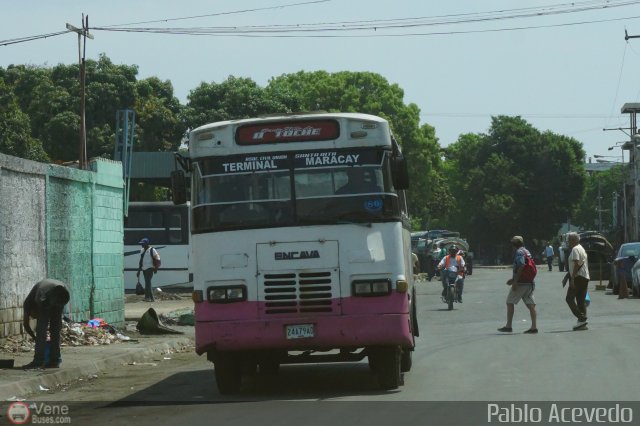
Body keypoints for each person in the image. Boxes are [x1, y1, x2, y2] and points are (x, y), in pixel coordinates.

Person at [22, 279, 70, 369]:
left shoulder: (28, 303)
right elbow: (26, 324)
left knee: (42, 331)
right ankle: (55, 360)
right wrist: (35, 337)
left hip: (52, 293)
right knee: (55, 330)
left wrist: (36, 337)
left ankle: (38, 361)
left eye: (33, 316)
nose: (34, 317)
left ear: (33, 308)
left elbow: (26, 324)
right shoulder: (35, 300)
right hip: (62, 290)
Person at [498, 236, 538, 334]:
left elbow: (521, 266)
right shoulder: (526, 251)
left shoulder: (519, 252)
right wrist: (513, 279)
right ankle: (534, 327)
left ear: (514, 244)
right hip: (529, 282)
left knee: (509, 302)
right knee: (530, 305)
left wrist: (515, 282)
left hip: (521, 283)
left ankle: (508, 326)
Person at [565, 232, 590, 329]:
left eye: (569, 240)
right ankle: (581, 323)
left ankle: (582, 318)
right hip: (585, 277)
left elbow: (576, 264)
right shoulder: (581, 248)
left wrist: (572, 279)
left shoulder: (575, 249)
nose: (568, 242)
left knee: (569, 298)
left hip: (578, 277)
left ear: (574, 240)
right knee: (580, 300)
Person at [136, 237, 161, 302]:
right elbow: (141, 261)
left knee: (148, 282)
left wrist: (156, 268)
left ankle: (151, 298)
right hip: (144, 269)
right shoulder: (142, 250)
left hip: (150, 268)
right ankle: (147, 297)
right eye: (141, 243)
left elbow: (158, 259)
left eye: (143, 243)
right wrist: (139, 270)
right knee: (147, 283)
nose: (142, 245)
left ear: (147, 244)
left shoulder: (152, 250)